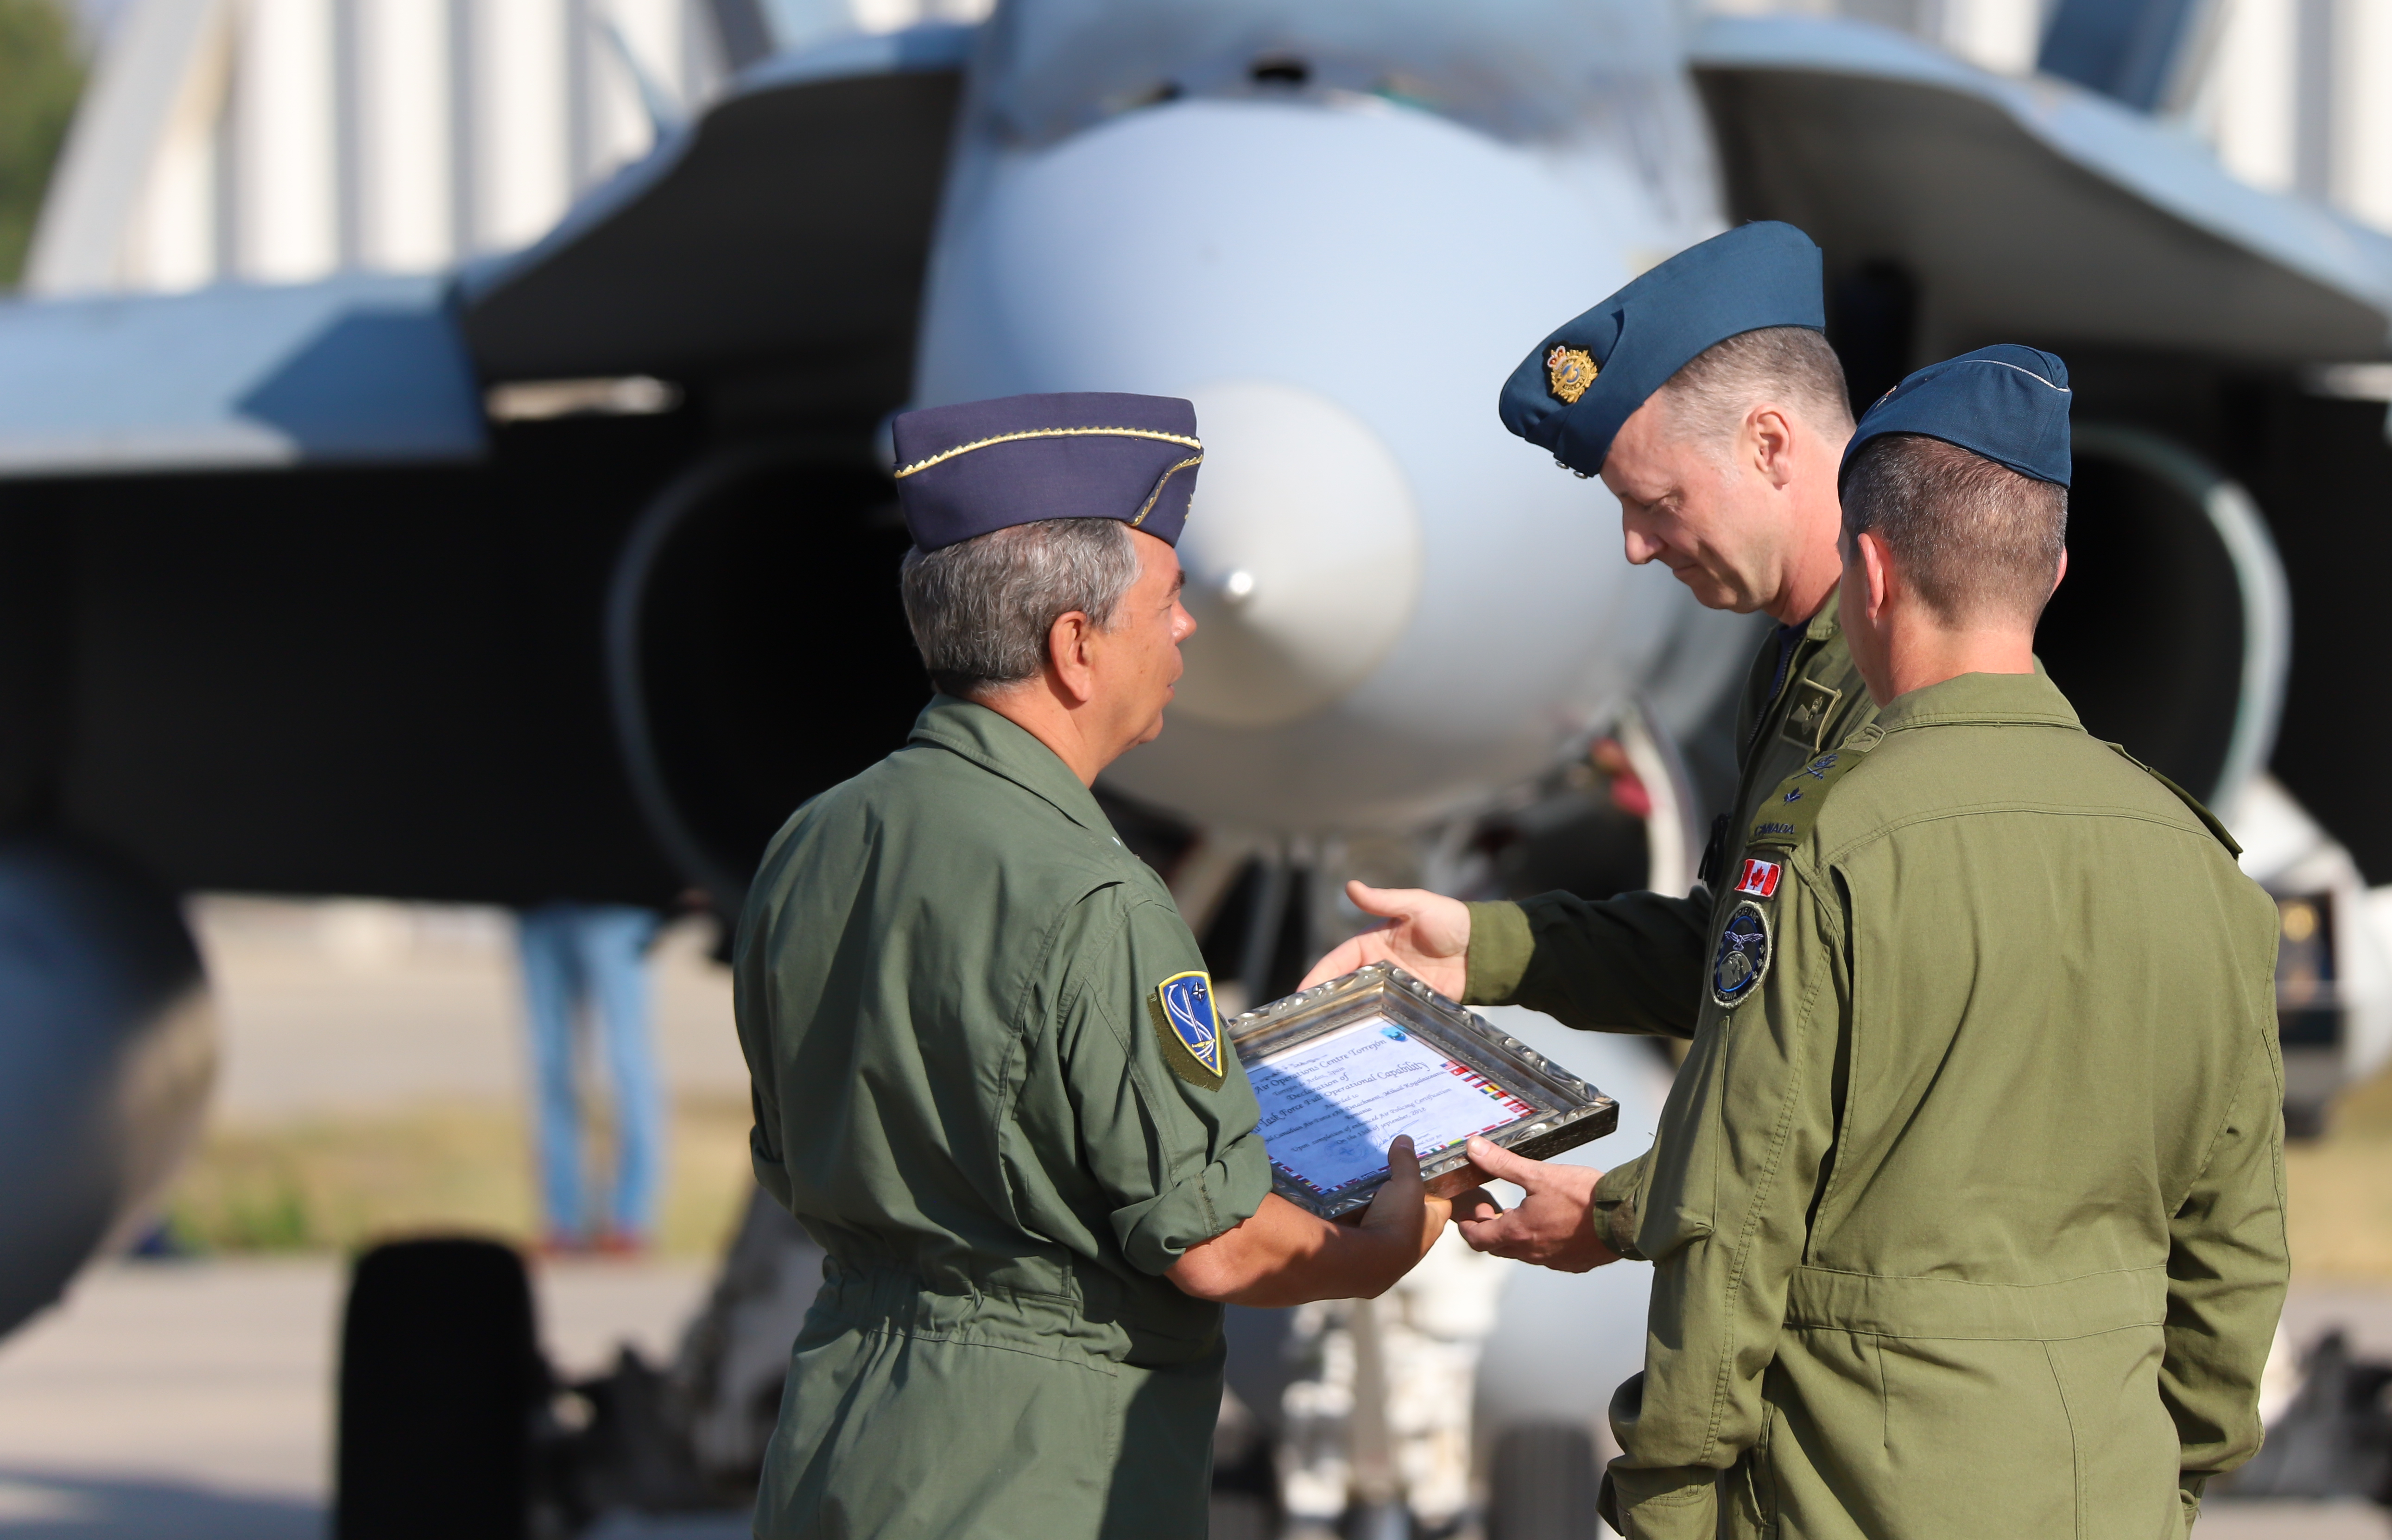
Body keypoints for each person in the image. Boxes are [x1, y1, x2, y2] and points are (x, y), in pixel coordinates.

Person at [1477, 347, 2285, 1535]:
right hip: (2107, 1492)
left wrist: (1668, 1492)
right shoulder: (2199, 867)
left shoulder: (1827, 849)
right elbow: (2234, 1247)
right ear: (2052, 571)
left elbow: (1736, 1208)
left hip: (1849, 1493)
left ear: (1868, 568)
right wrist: (2165, 1478)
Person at [733, 391, 1449, 1540]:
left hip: (840, 1439)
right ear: (1075, 646)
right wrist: (1379, 1250)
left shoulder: (814, 841)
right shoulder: (1094, 893)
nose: (1185, 632)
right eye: (1166, 605)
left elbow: (798, 1149)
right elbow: (1212, 1243)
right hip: (1029, 1467)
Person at [514, 902, 665, 1253]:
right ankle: (561, 1222)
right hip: (539, 899)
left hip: (616, 899)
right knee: (550, 1062)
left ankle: (629, 1221)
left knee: (627, 1059)